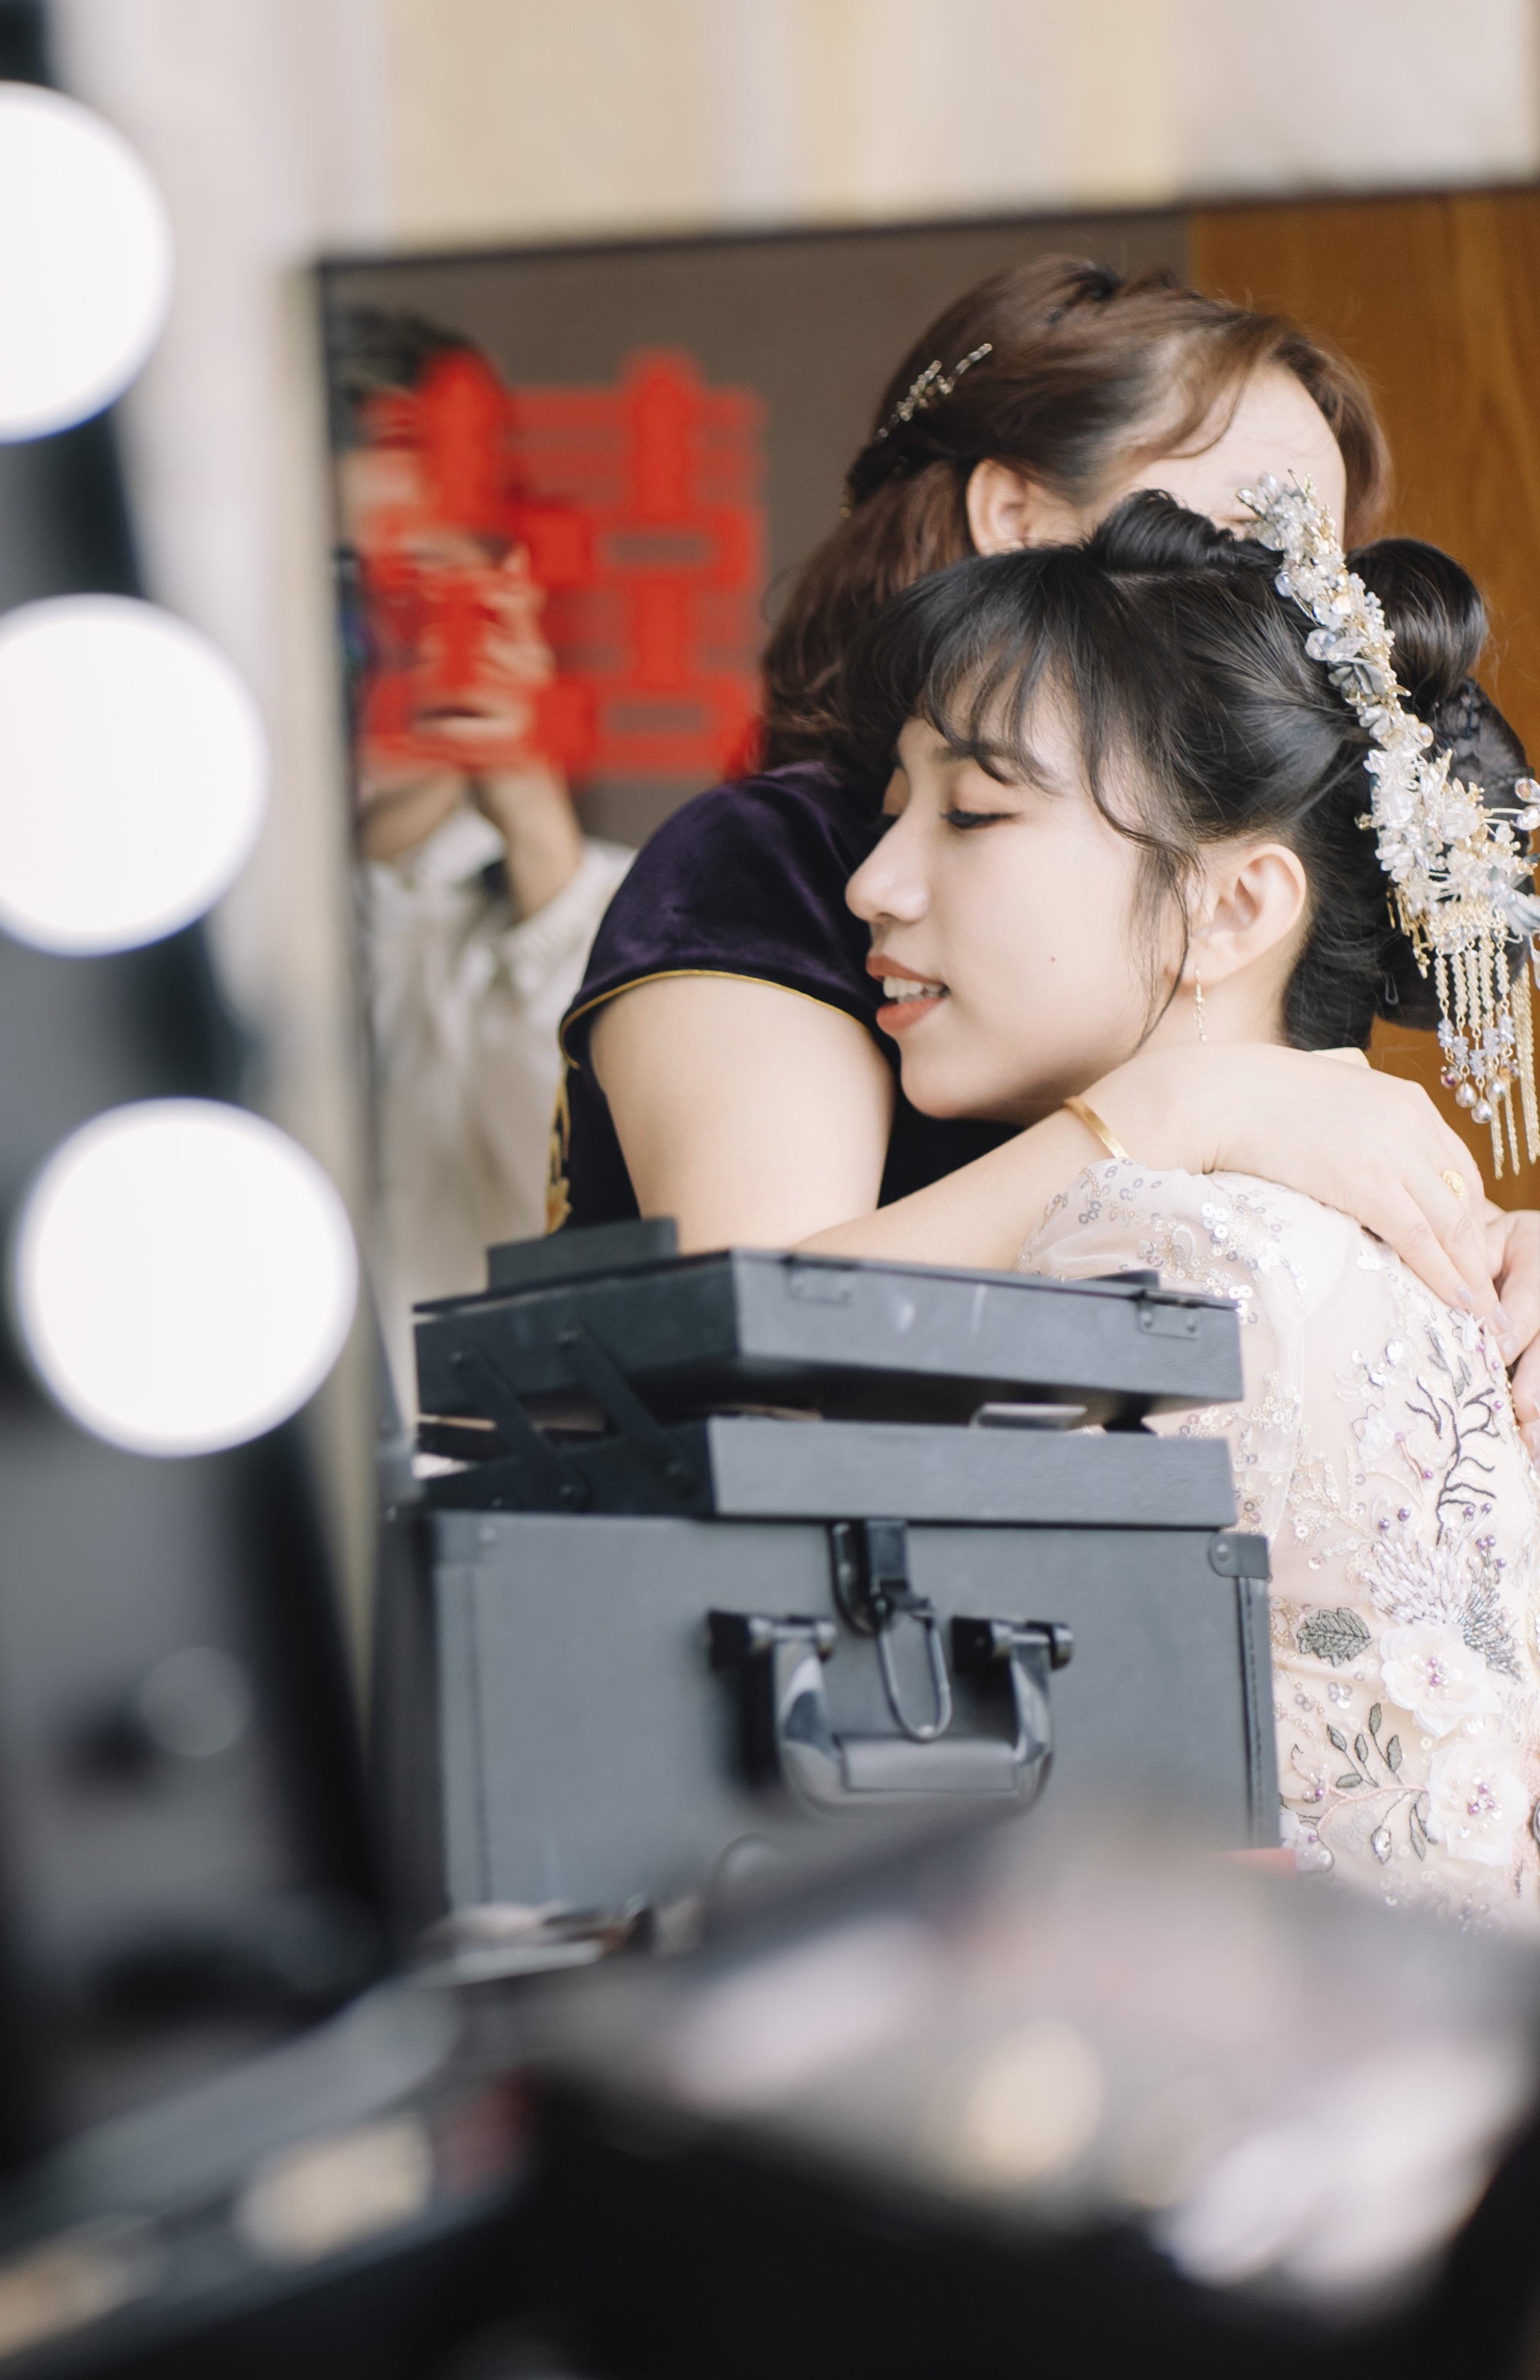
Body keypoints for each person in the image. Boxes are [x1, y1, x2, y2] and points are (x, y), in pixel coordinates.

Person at [549, 257, 1540, 1426]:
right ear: (1015, 518)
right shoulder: (781, 861)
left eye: (1317, 562)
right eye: (1246, 528)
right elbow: (753, 1346)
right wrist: (1176, 1112)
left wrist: (1471, 1262)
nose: (1283, 601)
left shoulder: (1194, 870)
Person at [834, 485, 1540, 1922]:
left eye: (973, 810)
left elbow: (739, 1386)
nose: (872, 884)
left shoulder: (1165, 1245)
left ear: (1232, 909)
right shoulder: (1400, 1255)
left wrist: (1144, 1123)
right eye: (895, 809)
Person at [330, 306, 631, 1330]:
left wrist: (536, 831)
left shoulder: (611, 914)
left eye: (410, 583)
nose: (363, 637)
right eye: (333, 584)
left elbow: (605, 1243)